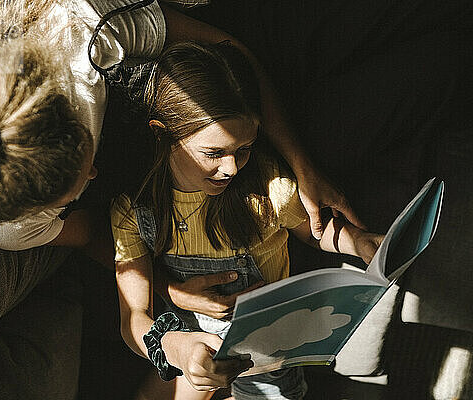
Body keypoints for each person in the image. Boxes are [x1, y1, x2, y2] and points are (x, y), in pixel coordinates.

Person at [0, 0, 362, 257]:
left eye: (86, 164)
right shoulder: (12, 229)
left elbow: (231, 53)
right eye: (66, 198)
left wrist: (303, 165)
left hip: (203, 69)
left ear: (75, 119)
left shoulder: (83, 31)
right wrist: (170, 294)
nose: (92, 180)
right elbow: (96, 237)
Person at [110, 41, 384, 400]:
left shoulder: (267, 186)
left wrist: (356, 241)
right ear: (162, 134)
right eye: (214, 153)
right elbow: (134, 319)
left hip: (267, 355)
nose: (232, 168)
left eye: (244, 149)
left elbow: (314, 233)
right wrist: (175, 348)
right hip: (190, 347)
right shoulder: (135, 211)